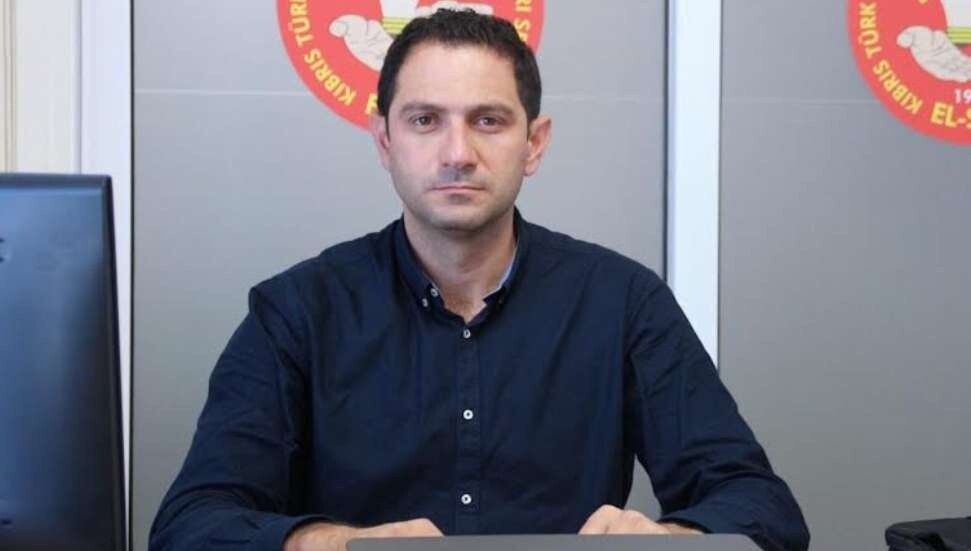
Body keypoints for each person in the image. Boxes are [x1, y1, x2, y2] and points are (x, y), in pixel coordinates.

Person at [149, 9, 809, 551]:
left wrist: (668, 539)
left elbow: (762, 508)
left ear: (534, 143)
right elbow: (190, 525)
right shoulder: (296, 311)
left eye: (487, 121)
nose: (458, 152)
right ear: (384, 141)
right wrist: (337, 543)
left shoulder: (622, 303)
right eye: (425, 120)